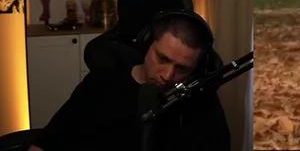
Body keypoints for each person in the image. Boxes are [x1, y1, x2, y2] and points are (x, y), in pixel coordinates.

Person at [28, 11, 232, 151]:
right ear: (146, 44)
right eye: (162, 59)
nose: (168, 75)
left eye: (182, 69)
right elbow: (46, 143)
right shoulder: (99, 85)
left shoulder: (201, 103)